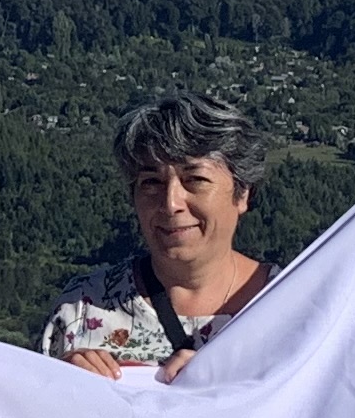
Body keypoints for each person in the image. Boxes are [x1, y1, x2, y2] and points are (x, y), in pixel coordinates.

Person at [43, 93, 276, 378]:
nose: (171, 203)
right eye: (152, 182)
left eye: (195, 180)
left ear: (242, 194)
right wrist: (56, 383)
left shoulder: (294, 306)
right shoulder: (81, 309)